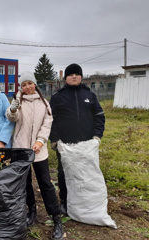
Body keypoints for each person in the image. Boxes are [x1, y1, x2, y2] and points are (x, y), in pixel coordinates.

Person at [6, 71, 64, 240]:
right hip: (20, 149)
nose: (27, 87)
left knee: (46, 183)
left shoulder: (44, 103)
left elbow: (47, 124)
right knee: (25, 183)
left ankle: (56, 218)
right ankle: (31, 211)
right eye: (24, 85)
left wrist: (40, 141)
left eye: (30, 83)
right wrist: (13, 109)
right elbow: (12, 118)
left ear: (35, 85)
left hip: (39, 150)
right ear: (21, 88)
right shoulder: (18, 101)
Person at [49, 63, 105, 215]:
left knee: (85, 173)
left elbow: (99, 116)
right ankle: (65, 202)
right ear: (66, 78)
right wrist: (54, 140)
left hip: (86, 144)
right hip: (65, 145)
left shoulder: (89, 95)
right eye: (71, 74)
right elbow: (50, 119)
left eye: (77, 74)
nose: (74, 76)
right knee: (64, 173)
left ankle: (84, 202)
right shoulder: (58, 96)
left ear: (81, 77)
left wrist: (97, 136)